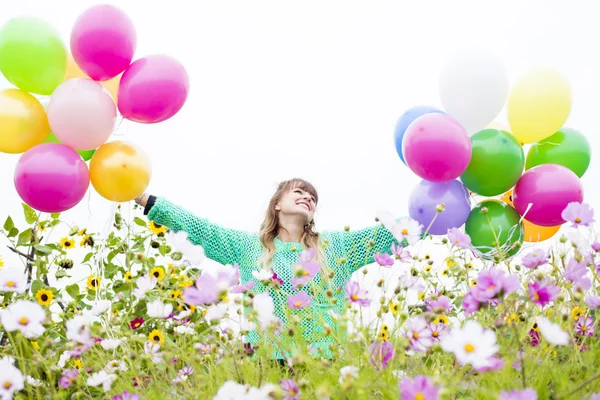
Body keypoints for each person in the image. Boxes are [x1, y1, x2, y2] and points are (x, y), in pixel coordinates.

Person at [134, 178, 402, 361]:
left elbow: (389, 233)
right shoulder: (249, 247)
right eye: (299, 192)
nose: (307, 198)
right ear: (277, 204)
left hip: (324, 363)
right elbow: (201, 230)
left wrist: (433, 212)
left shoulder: (336, 246)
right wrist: (146, 199)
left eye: (312, 198)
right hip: (264, 362)